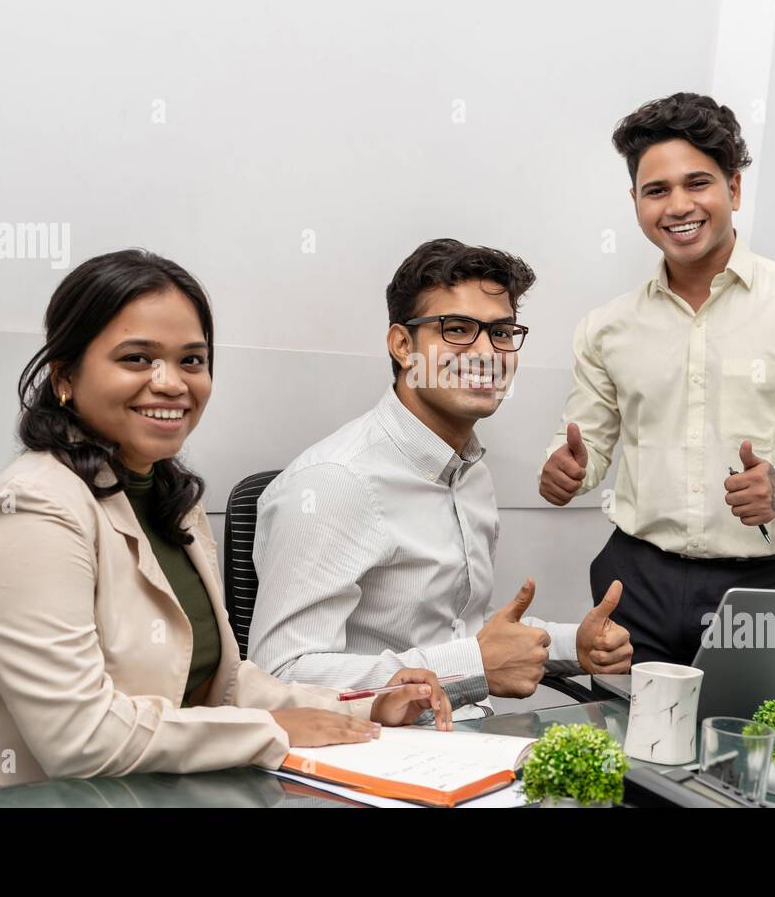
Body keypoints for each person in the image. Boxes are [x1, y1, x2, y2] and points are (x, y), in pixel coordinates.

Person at [0, 249, 450, 787]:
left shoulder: (170, 495)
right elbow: (80, 740)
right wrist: (273, 729)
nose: (171, 382)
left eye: (192, 360)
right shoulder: (32, 510)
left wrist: (363, 709)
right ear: (65, 378)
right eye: (137, 359)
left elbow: (219, 684)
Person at [539, 92, 775, 665]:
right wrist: (568, 467)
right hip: (634, 582)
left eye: (697, 183)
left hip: (763, 587)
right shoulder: (607, 328)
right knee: (629, 745)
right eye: (657, 190)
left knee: (757, 749)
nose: (678, 205)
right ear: (635, 201)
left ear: (733, 188)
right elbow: (589, 444)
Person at [248, 239, 633, 719]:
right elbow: (280, 677)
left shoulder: (470, 473)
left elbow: (453, 632)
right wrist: (472, 666)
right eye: (457, 330)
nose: (485, 352)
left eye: (501, 333)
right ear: (403, 345)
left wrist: (569, 644)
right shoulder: (335, 481)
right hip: (375, 759)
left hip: (468, 745)